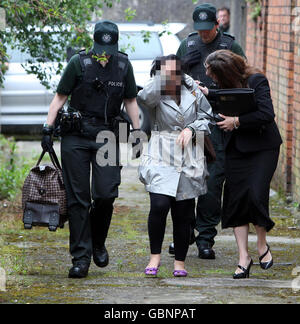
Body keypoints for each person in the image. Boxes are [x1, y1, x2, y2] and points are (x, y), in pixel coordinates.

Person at [41, 20, 140, 278]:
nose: (103, 55)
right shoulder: (79, 63)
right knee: (78, 199)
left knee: (106, 194)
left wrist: (138, 133)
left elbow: (130, 100)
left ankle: (97, 241)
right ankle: (81, 257)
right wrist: (47, 128)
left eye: (108, 49)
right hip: (76, 136)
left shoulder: (123, 65)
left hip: (108, 134)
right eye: (99, 49)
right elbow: (60, 97)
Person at [172, 3, 245, 260]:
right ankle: (184, 231)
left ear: (217, 24)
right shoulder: (188, 45)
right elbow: (169, 83)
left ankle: (205, 238)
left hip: (217, 122)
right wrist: (181, 74)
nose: (204, 34)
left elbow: (243, 84)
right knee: (185, 179)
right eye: (199, 30)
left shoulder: (231, 46)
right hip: (189, 123)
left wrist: (232, 113)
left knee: (212, 183)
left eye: (208, 29)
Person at [201, 49, 282, 278]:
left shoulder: (256, 80)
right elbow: (225, 97)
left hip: (263, 148)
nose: (212, 78)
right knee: (235, 200)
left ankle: (262, 245)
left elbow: (267, 114)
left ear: (227, 72)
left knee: (256, 195)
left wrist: (236, 122)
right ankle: (243, 257)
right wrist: (208, 93)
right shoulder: (224, 85)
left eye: (214, 75)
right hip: (236, 149)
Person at [137, 55, 212, 277]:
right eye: (165, 72)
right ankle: (155, 256)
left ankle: (180, 262)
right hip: (161, 151)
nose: (171, 75)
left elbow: (207, 115)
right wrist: (164, 77)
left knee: (184, 211)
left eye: (175, 71)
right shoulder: (155, 92)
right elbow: (143, 97)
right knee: (159, 204)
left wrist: (191, 128)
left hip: (189, 154)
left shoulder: (192, 91)